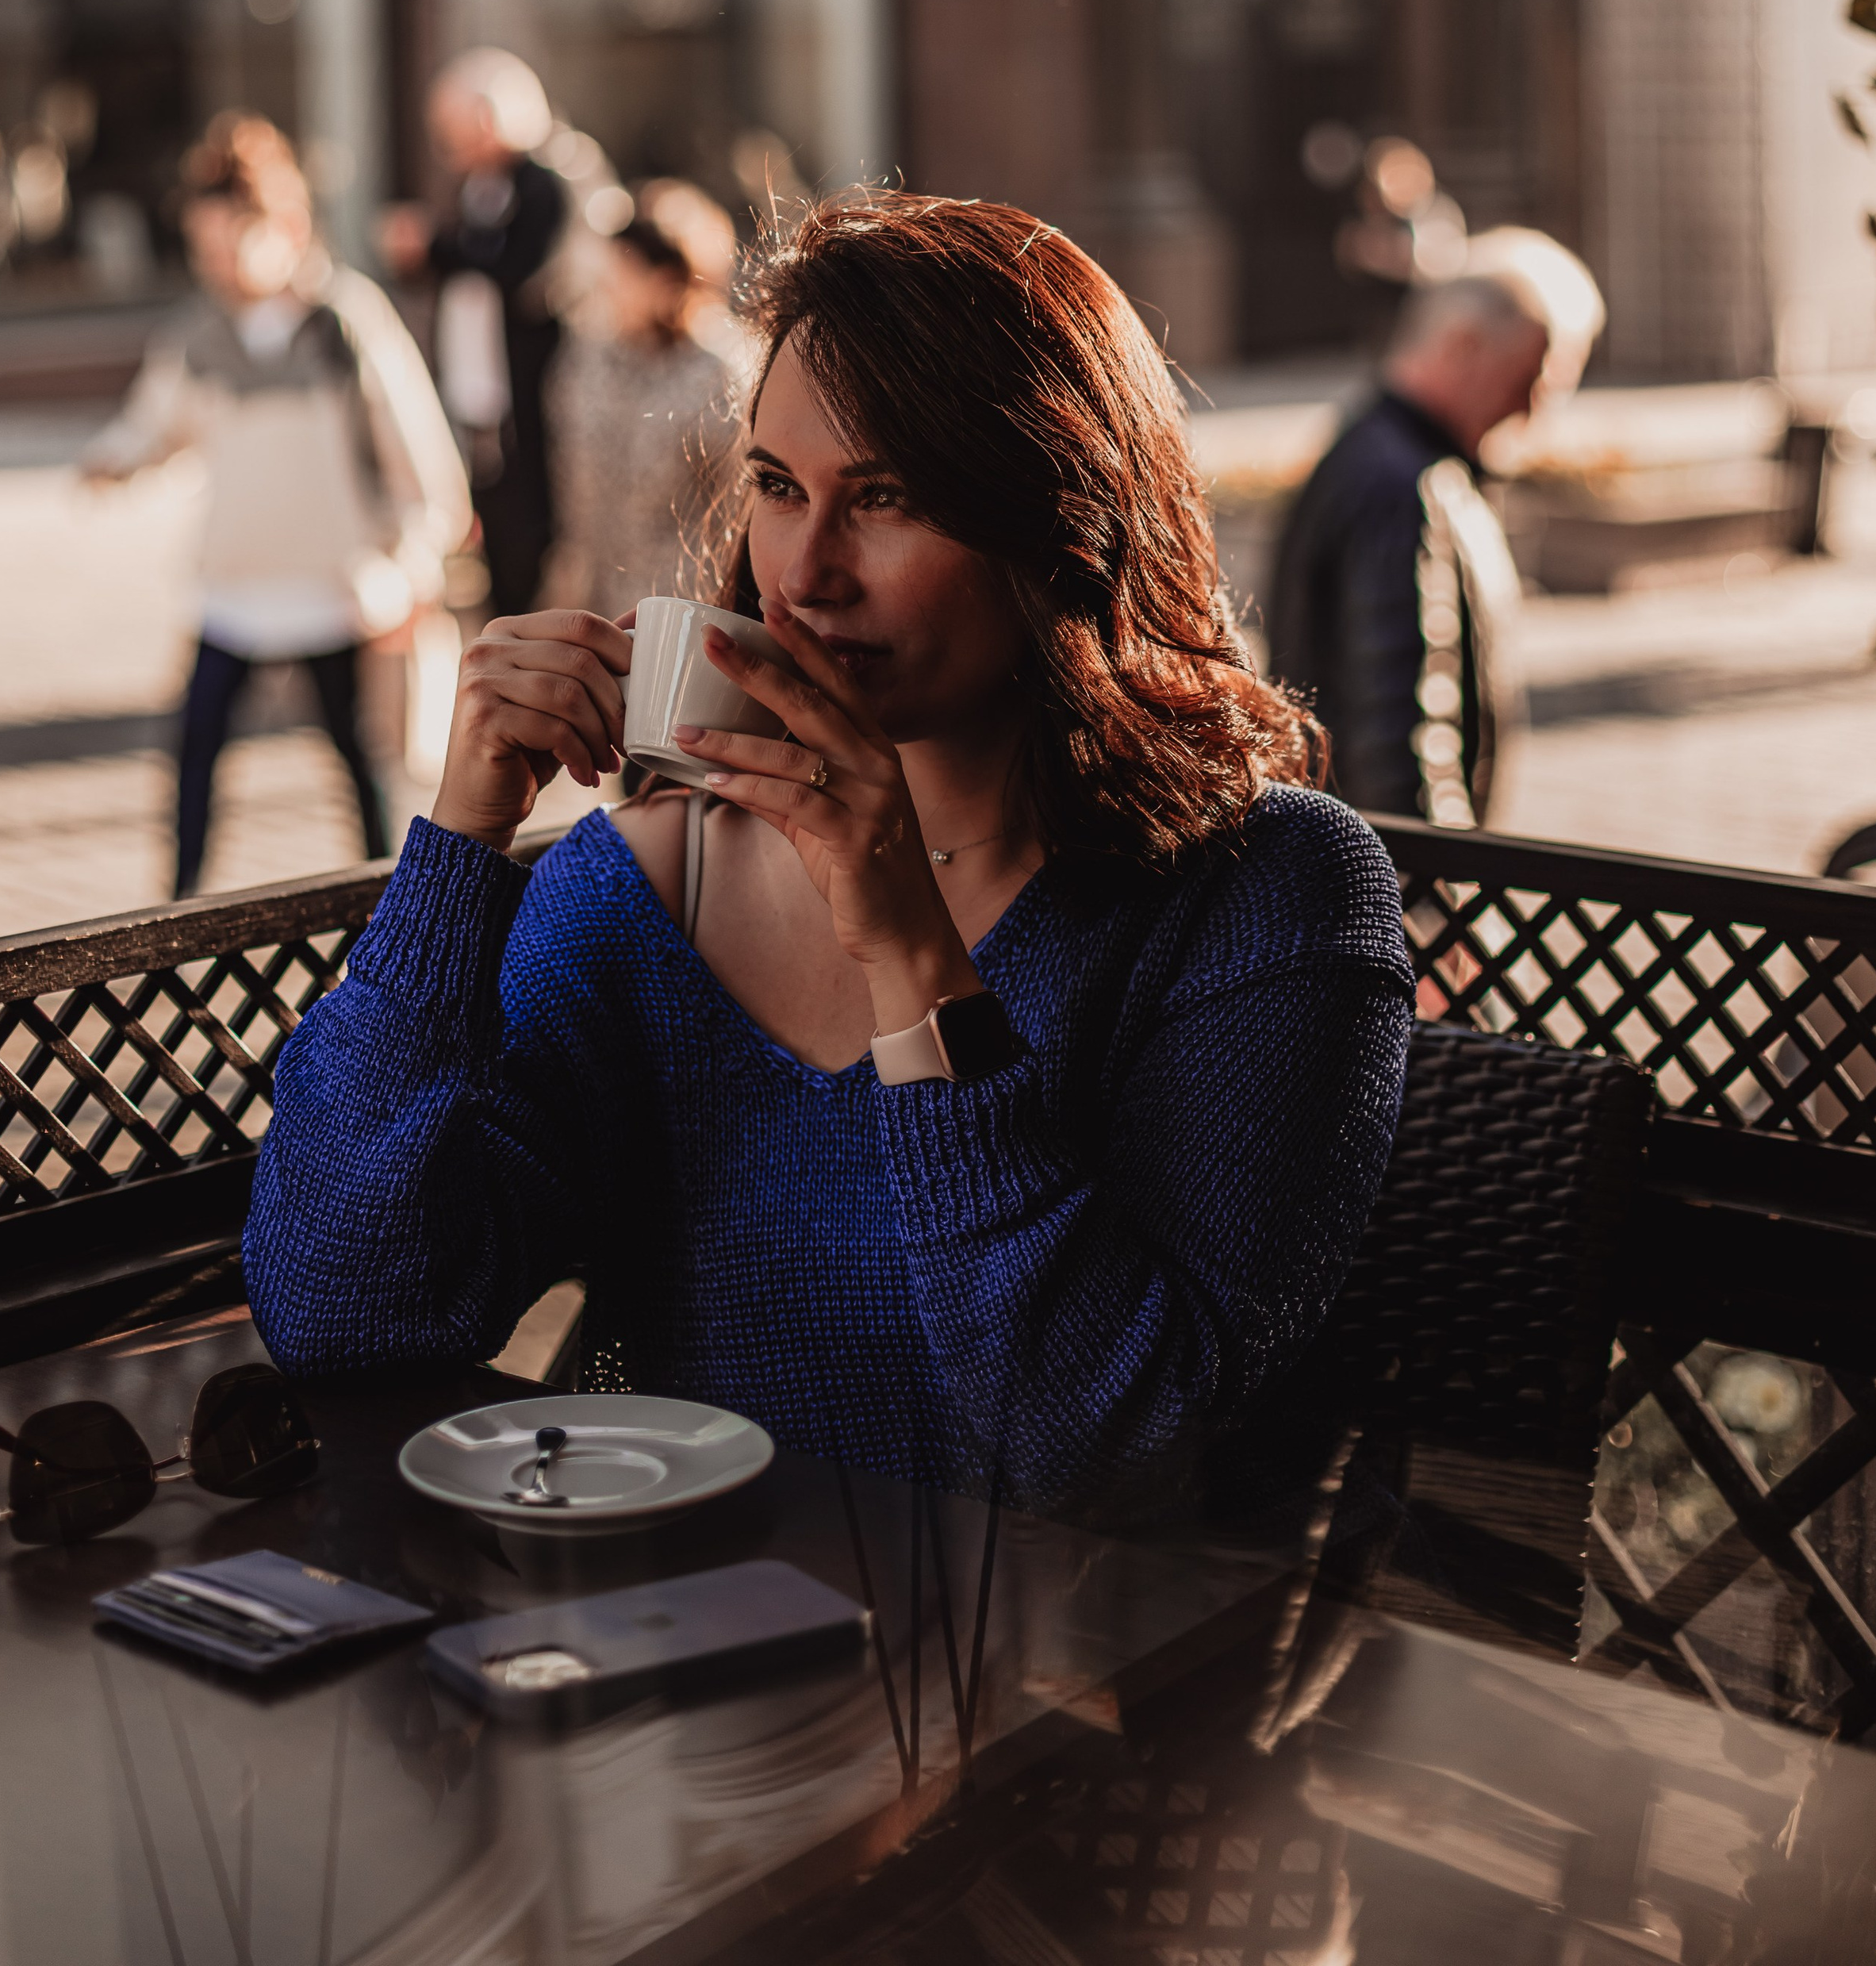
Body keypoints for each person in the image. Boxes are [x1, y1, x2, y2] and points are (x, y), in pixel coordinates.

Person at [244, 192, 1414, 1519]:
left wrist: (905, 942)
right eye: (778, 488)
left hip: (1107, 1699)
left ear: (1062, 526)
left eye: (891, 499)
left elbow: (1100, 1443)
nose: (806, 573)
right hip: (691, 1668)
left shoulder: (1268, 898)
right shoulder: (642, 892)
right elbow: (345, 1307)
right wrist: (457, 851)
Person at [82, 115, 470, 897]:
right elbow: (156, 421)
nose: (219, 262)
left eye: (234, 241)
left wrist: (415, 557)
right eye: (205, 247)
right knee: (197, 752)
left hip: (328, 583)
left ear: (286, 227)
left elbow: (416, 449)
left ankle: (386, 906)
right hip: (233, 581)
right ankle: (178, 908)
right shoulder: (202, 335)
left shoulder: (343, 324)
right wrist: (114, 460)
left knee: (355, 757)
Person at [1268, 244, 1601, 826]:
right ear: (1464, 345)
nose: (1534, 410)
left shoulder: (1374, 454)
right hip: (1386, 881)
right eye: (1534, 378)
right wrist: (1438, 899)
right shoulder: (1404, 489)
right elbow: (1404, 752)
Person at [380, 50, 567, 618]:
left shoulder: (544, 184)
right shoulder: (476, 189)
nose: (446, 147)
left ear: (489, 119)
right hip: (477, 385)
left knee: (529, 524)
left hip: (532, 391)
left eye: (452, 131)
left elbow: (517, 266)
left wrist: (433, 246)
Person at [543, 198, 739, 621]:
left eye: (624, 275)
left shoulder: (720, 373)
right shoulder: (587, 359)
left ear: (667, 282)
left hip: (686, 603)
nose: (608, 286)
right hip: (592, 591)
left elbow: (739, 502)